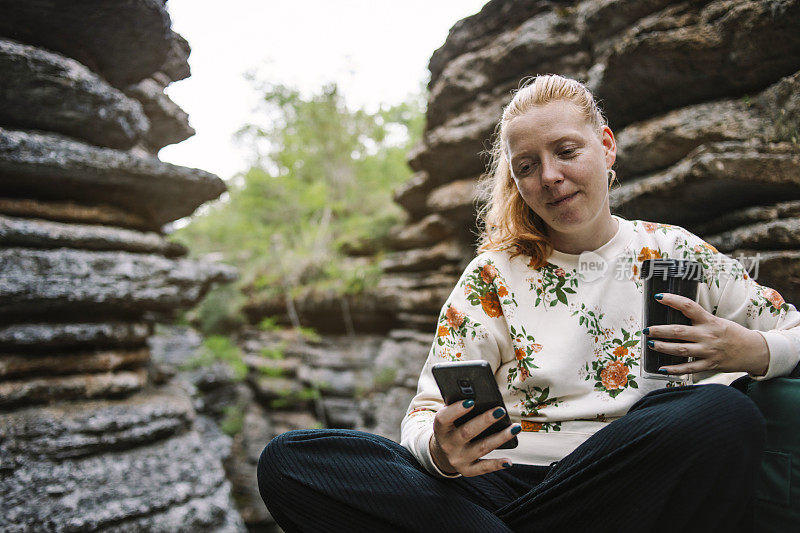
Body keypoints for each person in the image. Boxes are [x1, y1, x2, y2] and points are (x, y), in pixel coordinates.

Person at [257, 74, 800, 532]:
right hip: (503, 487)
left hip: (630, 475)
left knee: (721, 415)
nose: (550, 177)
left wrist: (750, 349)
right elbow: (422, 416)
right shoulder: (493, 275)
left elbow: (791, 332)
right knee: (290, 462)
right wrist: (441, 454)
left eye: (566, 151)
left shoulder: (673, 250)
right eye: (527, 165)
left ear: (606, 146)